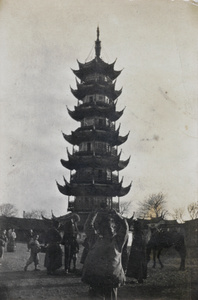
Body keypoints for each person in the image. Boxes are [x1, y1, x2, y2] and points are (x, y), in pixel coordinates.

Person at [82, 208, 129, 300]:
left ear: (114, 228)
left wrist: (117, 215)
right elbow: (88, 227)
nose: (110, 229)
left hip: (111, 278)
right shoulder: (95, 239)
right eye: (106, 227)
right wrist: (93, 214)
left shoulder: (118, 241)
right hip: (95, 277)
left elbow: (125, 228)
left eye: (112, 226)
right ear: (100, 229)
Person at [126, 220, 147, 284]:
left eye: (134, 226)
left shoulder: (138, 234)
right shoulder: (141, 233)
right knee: (140, 265)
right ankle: (139, 278)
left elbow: (138, 243)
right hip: (141, 251)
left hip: (137, 252)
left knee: (138, 265)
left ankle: (139, 278)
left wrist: (135, 249)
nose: (133, 227)